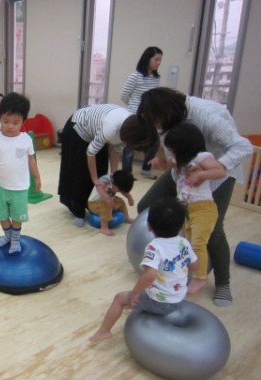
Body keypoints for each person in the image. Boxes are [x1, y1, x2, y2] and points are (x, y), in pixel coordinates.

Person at [121, 87, 253, 306]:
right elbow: (172, 152)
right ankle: (166, 261)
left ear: (164, 111)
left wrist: (208, 171)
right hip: (184, 171)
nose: (155, 126)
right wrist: (165, 163)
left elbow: (242, 147)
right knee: (147, 205)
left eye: (154, 120)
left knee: (213, 229)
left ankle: (223, 283)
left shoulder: (205, 115)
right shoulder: (166, 121)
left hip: (219, 170)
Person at [89, 197, 199, 343]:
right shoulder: (183, 242)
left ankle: (104, 331)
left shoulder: (154, 247)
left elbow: (149, 275)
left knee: (119, 298)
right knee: (144, 288)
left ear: (149, 226)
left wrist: (135, 294)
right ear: (180, 226)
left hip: (160, 302)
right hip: (178, 297)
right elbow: (195, 266)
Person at [164, 123, 226, 295]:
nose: (172, 152)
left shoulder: (201, 157)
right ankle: (189, 274)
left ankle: (200, 278)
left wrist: (201, 174)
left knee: (198, 243)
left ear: (185, 145)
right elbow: (168, 163)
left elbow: (220, 171)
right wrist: (161, 162)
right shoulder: (181, 160)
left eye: (174, 149)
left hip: (204, 208)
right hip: (188, 209)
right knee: (189, 244)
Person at [0, 92, 41, 255]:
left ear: (23, 121)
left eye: (15, 123)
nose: (10, 126)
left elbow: (31, 160)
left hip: (19, 188)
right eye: (6, 121)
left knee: (17, 216)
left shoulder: (25, 139)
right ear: (0, 118)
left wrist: (37, 177)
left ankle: (15, 239)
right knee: (1, 215)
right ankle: (8, 236)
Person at [57, 104, 131, 227]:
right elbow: (91, 152)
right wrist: (95, 180)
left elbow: (116, 150)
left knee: (101, 168)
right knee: (79, 172)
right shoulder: (111, 128)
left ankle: (91, 204)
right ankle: (78, 211)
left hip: (96, 130)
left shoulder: (127, 132)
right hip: (79, 127)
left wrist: (114, 176)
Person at [120, 46, 163, 179]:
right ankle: (127, 173)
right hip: (134, 116)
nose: (158, 63)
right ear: (147, 59)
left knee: (155, 143)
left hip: (149, 117)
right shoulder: (135, 76)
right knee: (130, 145)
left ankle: (146, 169)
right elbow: (124, 96)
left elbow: (153, 97)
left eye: (160, 60)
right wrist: (134, 107)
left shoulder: (156, 78)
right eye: (156, 59)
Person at [87, 169, 135, 236]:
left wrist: (129, 198)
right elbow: (99, 188)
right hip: (94, 203)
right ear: (113, 183)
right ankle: (104, 228)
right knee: (106, 205)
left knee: (121, 201)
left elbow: (123, 191)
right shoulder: (105, 180)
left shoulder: (118, 180)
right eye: (119, 190)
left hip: (108, 200)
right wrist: (107, 198)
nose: (119, 191)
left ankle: (127, 218)